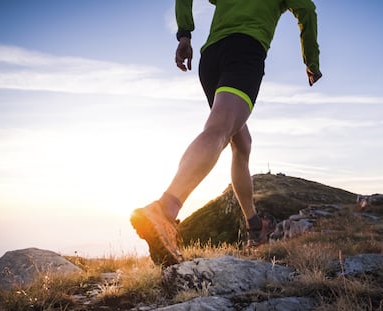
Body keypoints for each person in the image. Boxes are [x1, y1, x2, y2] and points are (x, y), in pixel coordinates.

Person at [130, 0, 322, 266]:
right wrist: (311, 61)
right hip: (244, 51)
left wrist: (184, 35)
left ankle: (254, 225)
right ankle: (165, 208)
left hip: (211, 59)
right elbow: (307, 12)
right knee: (220, 130)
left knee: (241, 143)